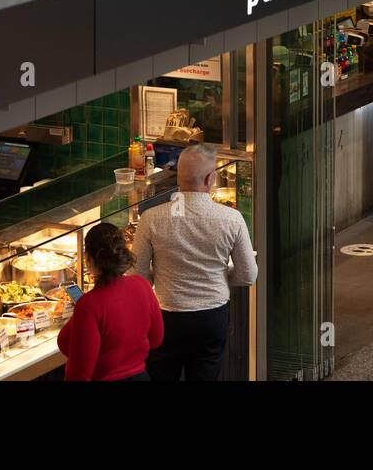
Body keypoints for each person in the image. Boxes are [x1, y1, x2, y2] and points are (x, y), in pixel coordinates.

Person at [134, 145, 258, 381]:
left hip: (165, 317)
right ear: (210, 179)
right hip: (211, 317)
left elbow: (137, 275)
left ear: (178, 176)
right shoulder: (232, 219)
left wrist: (161, 275)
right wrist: (219, 275)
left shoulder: (150, 218)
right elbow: (248, 275)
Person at [58, 223, 163, 381]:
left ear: (88, 259)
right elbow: (156, 339)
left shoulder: (88, 305)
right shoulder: (142, 285)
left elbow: (79, 374)